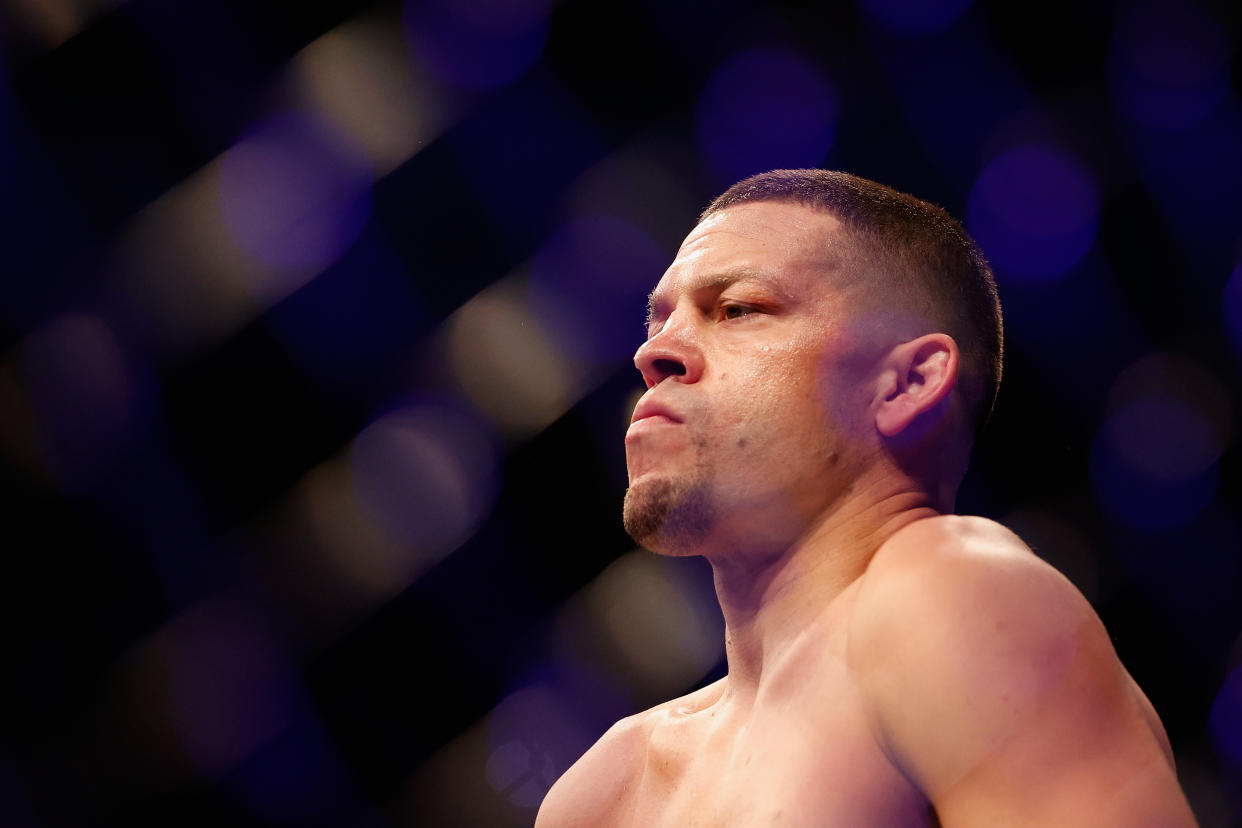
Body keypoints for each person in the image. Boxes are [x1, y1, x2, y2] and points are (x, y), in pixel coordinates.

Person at [534, 169, 1196, 826]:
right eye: (659, 319)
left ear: (907, 383)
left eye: (737, 308)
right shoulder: (609, 788)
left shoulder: (954, 593)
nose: (655, 353)